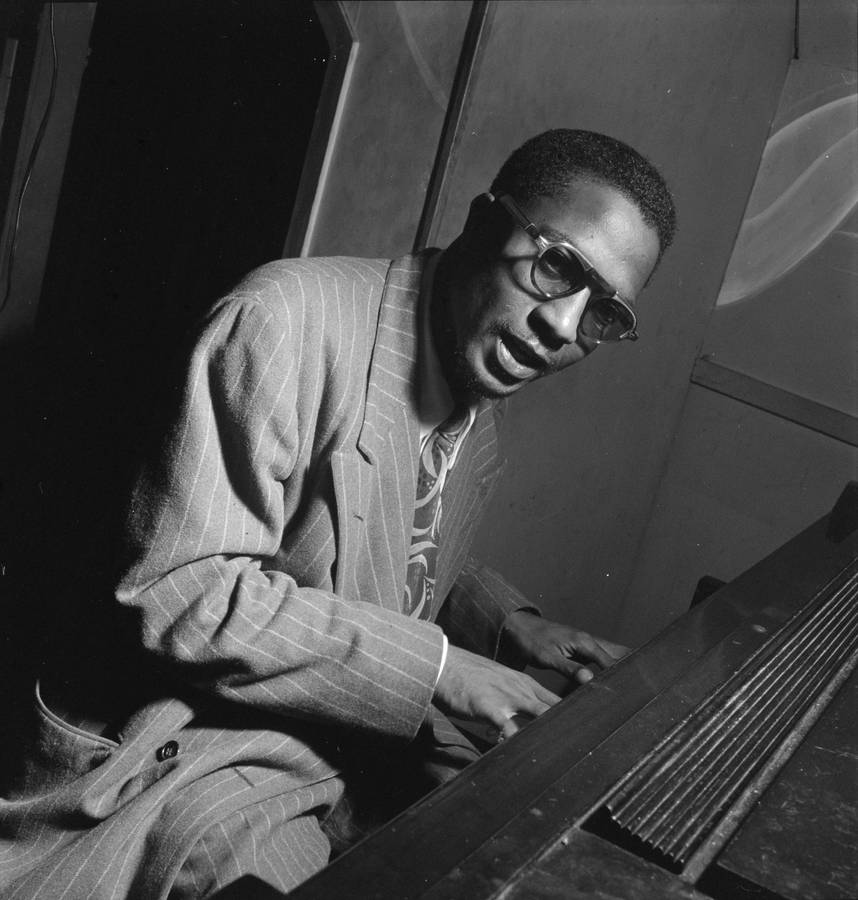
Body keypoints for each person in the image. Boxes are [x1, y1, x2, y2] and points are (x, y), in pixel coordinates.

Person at [0, 128, 676, 898]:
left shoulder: (478, 390)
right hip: (164, 753)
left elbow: (373, 542)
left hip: (313, 745)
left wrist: (509, 624)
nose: (563, 326)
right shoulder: (281, 317)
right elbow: (180, 592)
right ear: (483, 222)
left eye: (603, 312)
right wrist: (442, 670)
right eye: (557, 266)